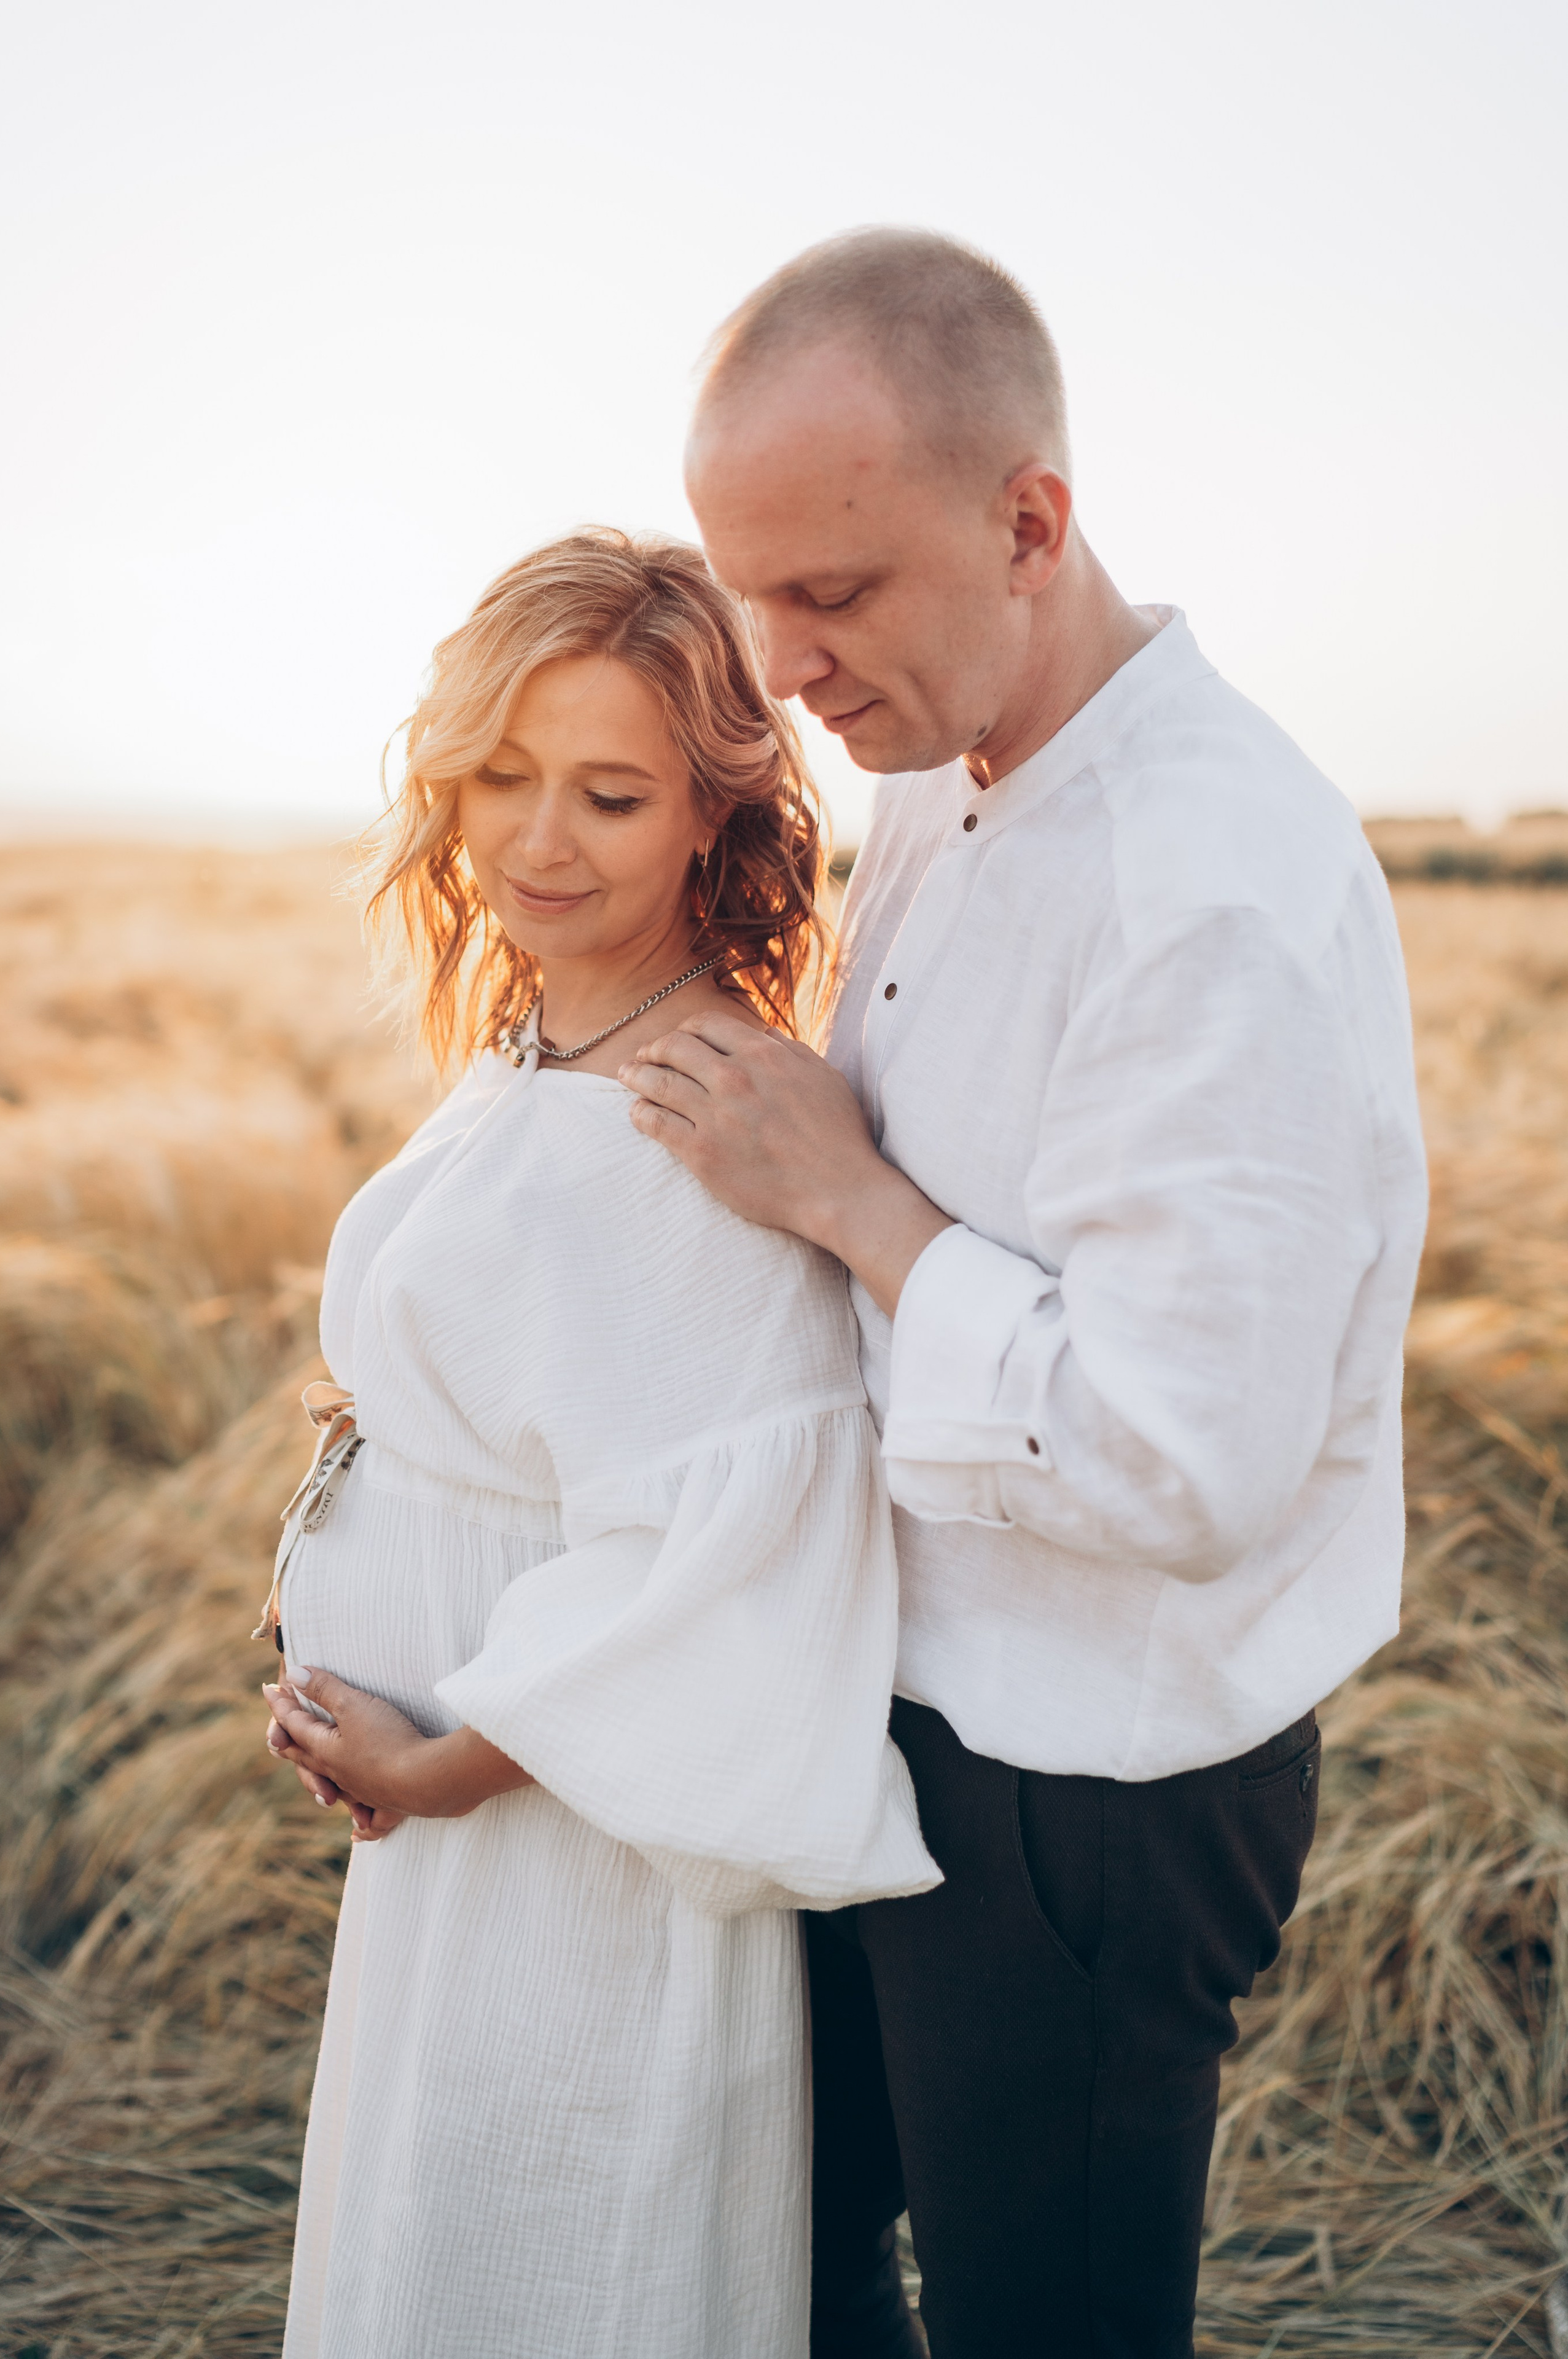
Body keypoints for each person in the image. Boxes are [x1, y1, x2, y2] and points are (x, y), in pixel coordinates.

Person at [619, 230, 1429, 2359]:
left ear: (1030, 521)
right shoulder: (943, 763)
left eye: (837, 592)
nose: (784, 665)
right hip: (895, 1717)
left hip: (1093, 1795)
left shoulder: (1212, 889)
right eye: (755, 591)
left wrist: (857, 1205)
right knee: (759, 2249)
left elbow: (1193, 1463)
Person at [259, 527, 938, 2359]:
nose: (537, 842)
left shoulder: (696, 1111)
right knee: (442, 2247)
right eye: (501, 775)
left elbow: (731, 1565)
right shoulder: (541, 1039)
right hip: (457, 1846)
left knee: (558, 2264)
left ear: (717, 816)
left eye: (611, 794)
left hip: (581, 1870)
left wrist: (450, 1765)